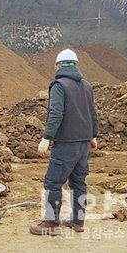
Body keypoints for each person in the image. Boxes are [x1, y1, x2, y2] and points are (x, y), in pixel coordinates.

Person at [30, 49, 99, 236]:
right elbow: (92, 113)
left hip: (66, 143)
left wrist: (46, 138)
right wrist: (93, 136)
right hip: (83, 143)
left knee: (53, 182)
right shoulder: (86, 85)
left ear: (57, 66)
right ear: (76, 64)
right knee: (78, 183)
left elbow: (56, 113)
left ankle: (51, 223)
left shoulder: (59, 85)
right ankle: (78, 221)